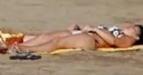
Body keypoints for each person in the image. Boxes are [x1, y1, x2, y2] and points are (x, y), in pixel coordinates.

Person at [8, 23, 141, 56]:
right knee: (45, 37)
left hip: (90, 40)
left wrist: (97, 30)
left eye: (134, 28)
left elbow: (114, 42)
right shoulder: (117, 30)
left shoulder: (128, 39)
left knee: (57, 42)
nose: (130, 26)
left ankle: (24, 49)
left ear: (137, 36)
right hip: (85, 33)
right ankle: (10, 46)